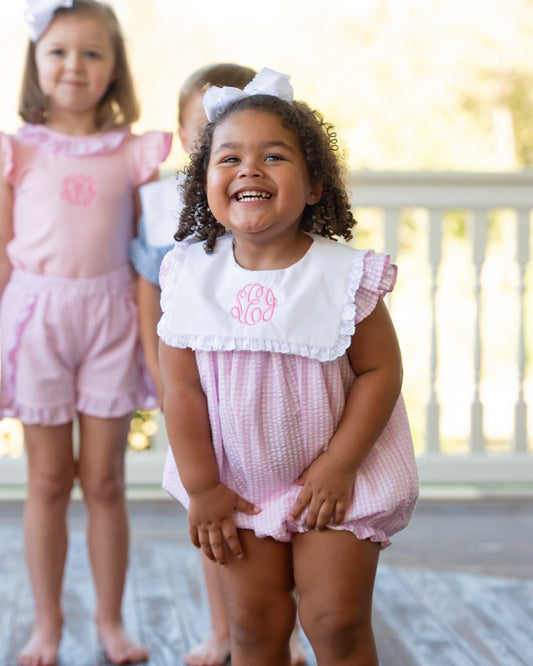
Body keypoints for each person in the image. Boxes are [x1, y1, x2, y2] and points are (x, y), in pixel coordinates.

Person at [158, 68, 419, 666]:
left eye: (273, 155)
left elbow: (382, 372)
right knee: (253, 627)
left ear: (316, 185)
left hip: (337, 484)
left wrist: (340, 464)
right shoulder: (190, 278)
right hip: (236, 487)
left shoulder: (343, 278)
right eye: (229, 158)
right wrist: (203, 489)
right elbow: (182, 390)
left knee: (335, 622)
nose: (249, 169)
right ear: (204, 183)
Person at [0, 2, 172, 664]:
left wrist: (160, 343)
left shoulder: (135, 154)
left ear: (114, 68)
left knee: (103, 479)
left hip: (111, 319)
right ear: (36, 63)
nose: (75, 66)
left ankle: (109, 621)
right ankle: (47, 624)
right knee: (46, 480)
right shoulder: (15, 151)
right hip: (35, 318)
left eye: (92, 53)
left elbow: (150, 256)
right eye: (59, 52)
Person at [129, 63, 308, 666]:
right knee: (218, 524)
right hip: (204, 392)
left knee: (270, 546)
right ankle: (222, 628)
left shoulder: (273, 222)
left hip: (271, 407)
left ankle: (281, 635)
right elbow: (153, 292)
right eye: (204, 133)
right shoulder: (170, 213)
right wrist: (163, 378)